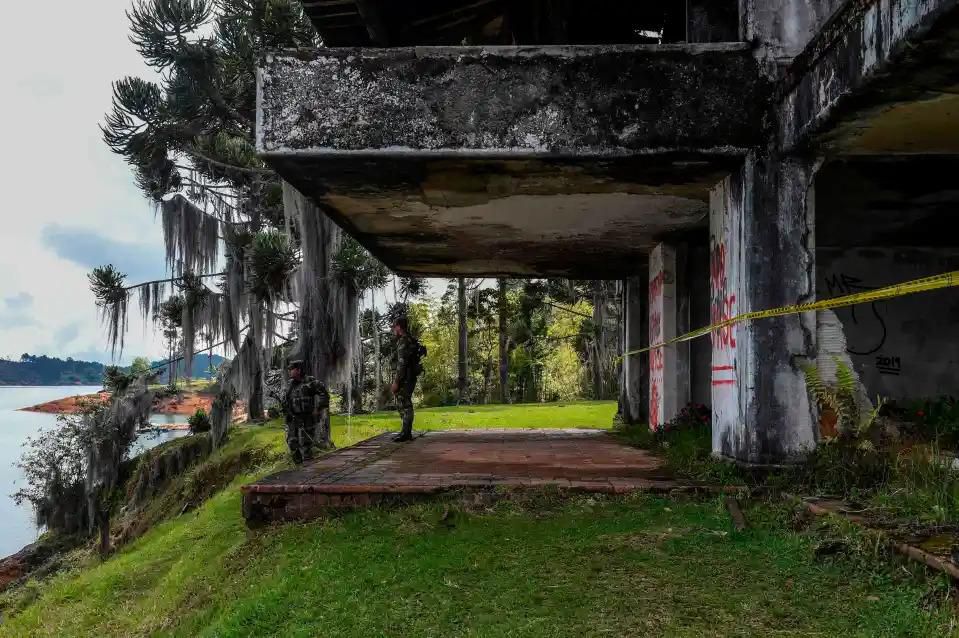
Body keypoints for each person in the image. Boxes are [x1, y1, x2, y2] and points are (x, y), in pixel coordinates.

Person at [282, 360, 330, 463]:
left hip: (307, 418)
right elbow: (286, 400)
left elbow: (324, 394)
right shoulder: (290, 384)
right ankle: (298, 466)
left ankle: (308, 467)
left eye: (292, 369)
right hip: (293, 419)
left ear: (298, 370)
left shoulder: (310, 382)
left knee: (306, 444)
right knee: (292, 442)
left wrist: (318, 409)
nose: (289, 371)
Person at [391, 315, 424, 442]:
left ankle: (406, 433)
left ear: (399, 327)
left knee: (404, 404)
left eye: (394, 327)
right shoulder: (411, 339)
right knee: (404, 403)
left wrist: (396, 382)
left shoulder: (404, 341)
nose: (394, 329)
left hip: (405, 377)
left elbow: (401, 364)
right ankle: (405, 432)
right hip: (410, 376)